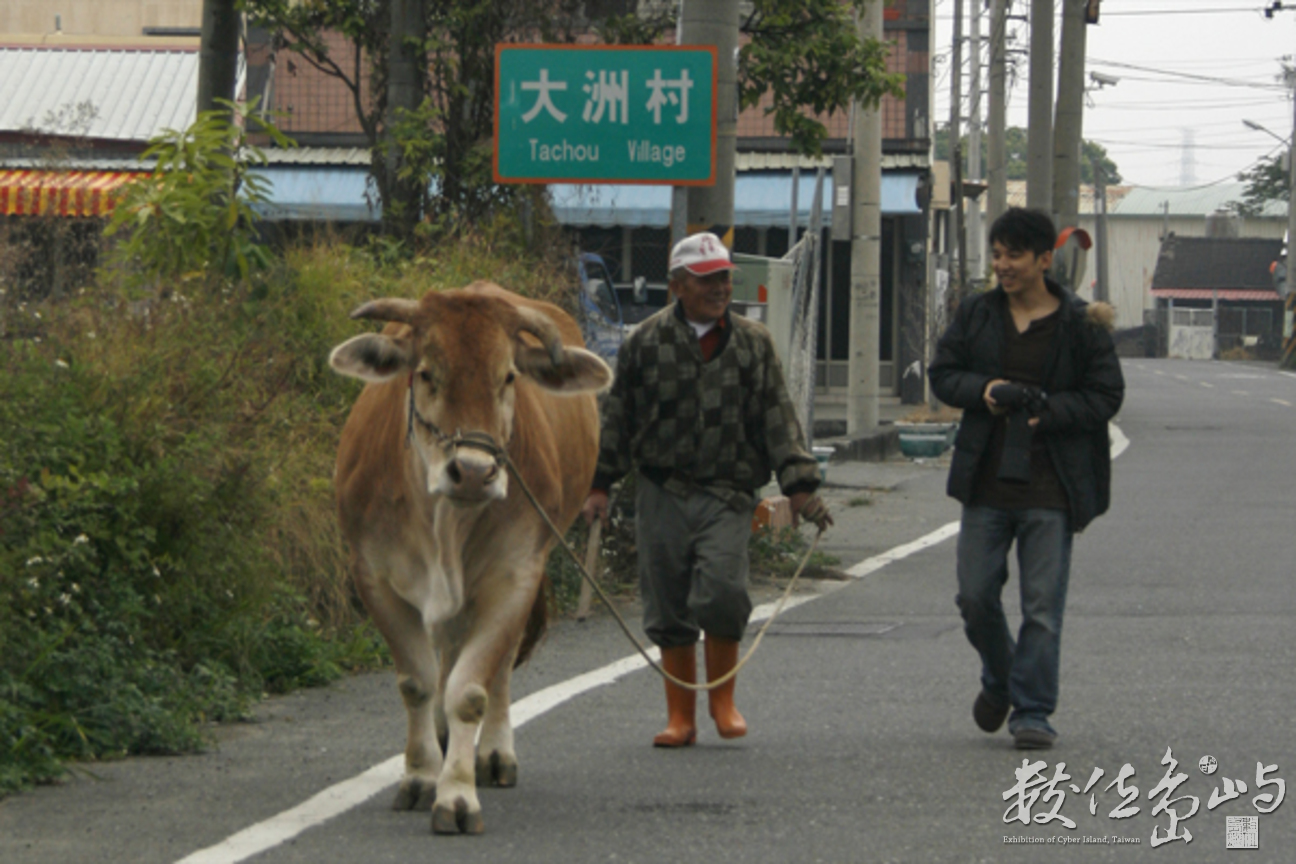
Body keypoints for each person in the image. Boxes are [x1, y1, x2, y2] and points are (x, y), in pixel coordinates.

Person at [582, 231, 832, 747]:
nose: (719, 288)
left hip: (727, 492)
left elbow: (778, 416)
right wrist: (600, 484)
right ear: (677, 286)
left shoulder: (753, 343)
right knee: (666, 601)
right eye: (706, 280)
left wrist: (801, 487)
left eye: (723, 278)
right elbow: (618, 419)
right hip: (661, 489)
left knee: (722, 589)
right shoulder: (644, 342)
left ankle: (723, 701)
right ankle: (681, 717)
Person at [928, 207, 1124, 750]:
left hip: (1051, 487)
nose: (1003, 265)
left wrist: (1049, 412)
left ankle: (1032, 710)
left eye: (1013, 255)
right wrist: (987, 391)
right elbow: (943, 374)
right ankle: (1001, 677)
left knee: (1042, 607)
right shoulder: (977, 313)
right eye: (996, 255)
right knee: (974, 598)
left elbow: (1106, 394)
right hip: (986, 483)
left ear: (1043, 260)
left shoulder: (1081, 323)